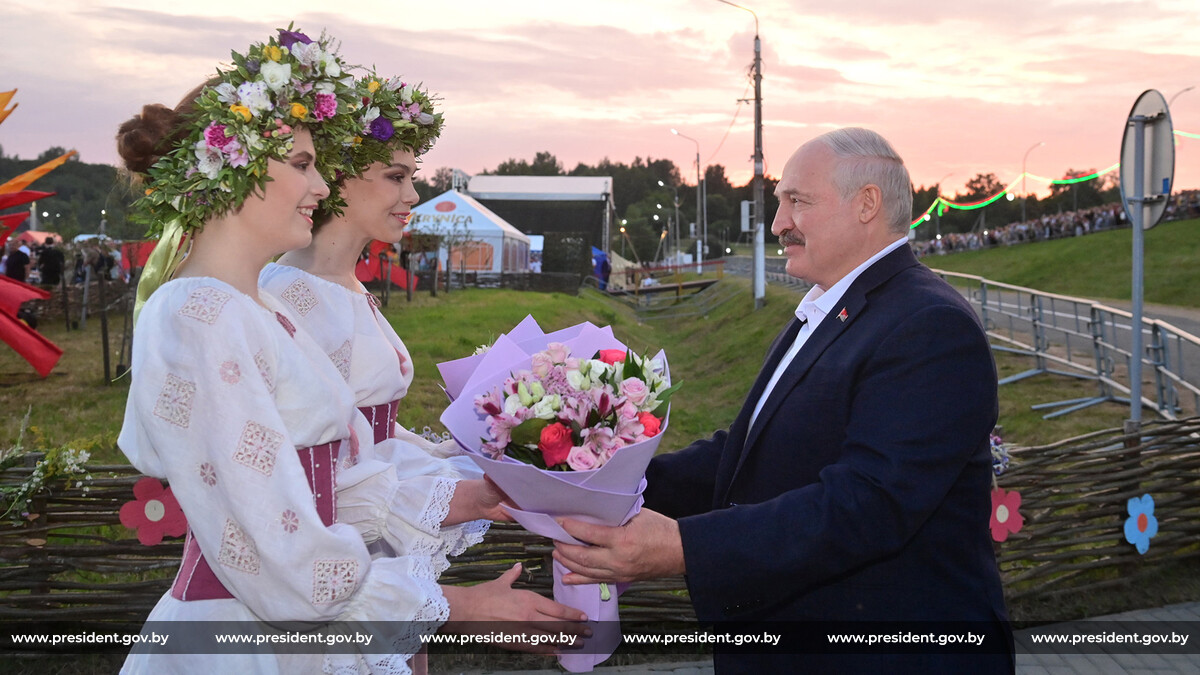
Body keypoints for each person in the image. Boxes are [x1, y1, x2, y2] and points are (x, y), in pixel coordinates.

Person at [116, 29, 583, 675]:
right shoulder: (197, 313)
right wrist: (457, 606)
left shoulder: (255, 308)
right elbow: (266, 544)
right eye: (304, 164)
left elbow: (342, 477)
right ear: (234, 164)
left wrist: (484, 491)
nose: (321, 184)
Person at [554, 128, 1011, 673]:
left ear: (867, 203)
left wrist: (685, 547)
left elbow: (867, 507)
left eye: (798, 201)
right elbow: (749, 453)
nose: (779, 224)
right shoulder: (832, 306)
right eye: (780, 203)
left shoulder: (929, 326)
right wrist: (605, 480)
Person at [262, 72, 486, 562]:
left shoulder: (345, 285)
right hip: (339, 555)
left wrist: (451, 455)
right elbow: (313, 471)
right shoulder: (288, 298)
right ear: (339, 177)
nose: (412, 196)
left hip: (384, 543)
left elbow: (371, 429)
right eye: (396, 177)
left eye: (412, 178)